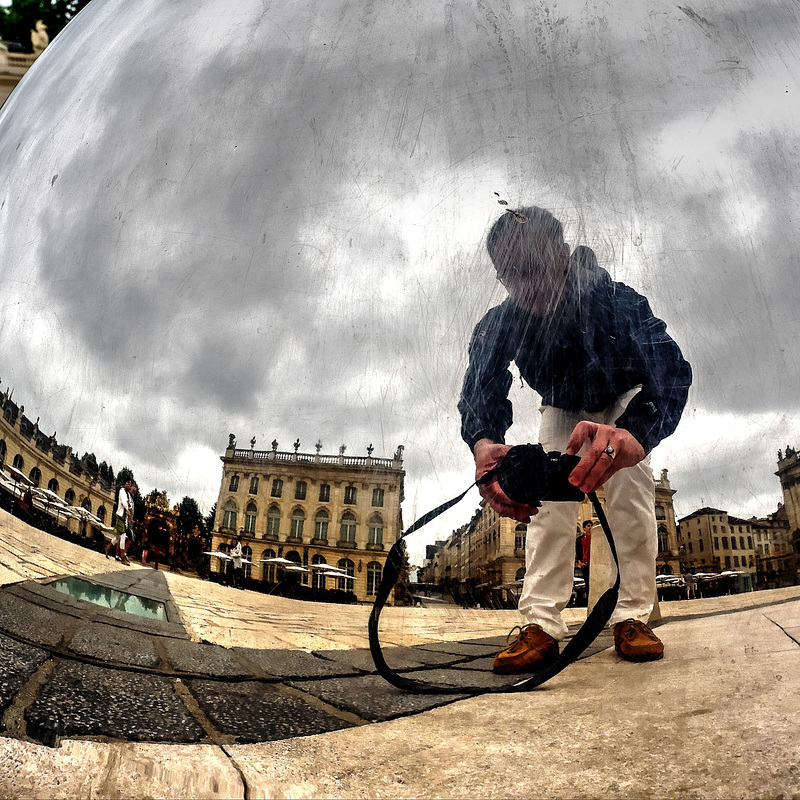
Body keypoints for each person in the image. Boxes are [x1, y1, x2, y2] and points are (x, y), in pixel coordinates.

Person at [458, 206, 692, 672]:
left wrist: (636, 436)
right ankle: (541, 623)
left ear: (563, 255)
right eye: (511, 277)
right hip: (561, 403)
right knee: (549, 501)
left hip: (625, 396)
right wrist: (484, 442)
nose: (527, 288)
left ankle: (631, 616)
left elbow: (672, 372)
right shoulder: (503, 320)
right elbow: (481, 381)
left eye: (536, 270)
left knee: (630, 487)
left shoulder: (619, 301)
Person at [106, 479, 133, 563]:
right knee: (123, 536)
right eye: (128, 483)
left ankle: (107, 548)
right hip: (120, 516)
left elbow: (131, 505)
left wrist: (129, 506)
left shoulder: (128, 495)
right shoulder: (122, 491)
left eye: (130, 484)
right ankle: (122, 557)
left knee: (118, 537)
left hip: (124, 518)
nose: (129, 485)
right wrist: (128, 506)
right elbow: (125, 503)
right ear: (124, 484)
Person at [576, 519, 593, 587]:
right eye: (588, 526)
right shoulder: (580, 539)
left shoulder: (595, 538)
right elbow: (578, 550)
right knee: (587, 582)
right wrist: (579, 561)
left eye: (591, 526)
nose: (590, 527)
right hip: (585, 564)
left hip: (593, 563)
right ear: (584, 528)